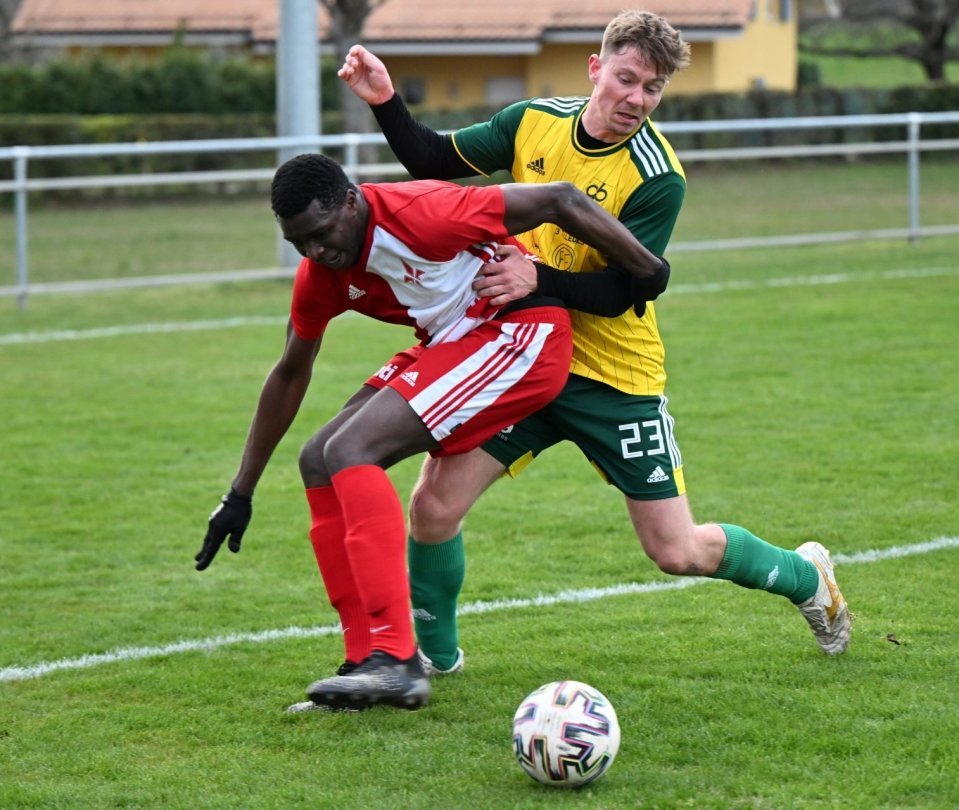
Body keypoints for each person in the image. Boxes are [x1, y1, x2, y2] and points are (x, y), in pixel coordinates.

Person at [339, 10, 853, 677]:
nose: (637, 99)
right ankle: (434, 663)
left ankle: (804, 575)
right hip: (520, 355)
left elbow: (626, 290)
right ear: (596, 69)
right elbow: (435, 159)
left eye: (653, 88)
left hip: (614, 376)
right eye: (627, 78)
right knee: (433, 506)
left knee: (676, 550)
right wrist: (385, 98)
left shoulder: (657, 176)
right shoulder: (533, 121)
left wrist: (536, 278)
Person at [194, 152, 668, 712]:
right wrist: (239, 492)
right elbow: (289, 373)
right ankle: (363, 663)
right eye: (300, 244)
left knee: (353, 450)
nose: (316, 252)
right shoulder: (322, 273)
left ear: (351, 201)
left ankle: (397, 662)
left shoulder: (423, 212)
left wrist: (647, 269)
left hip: (521, 332)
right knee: (318, 458)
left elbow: (557, 197)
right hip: (454, 342)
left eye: (321, 234)